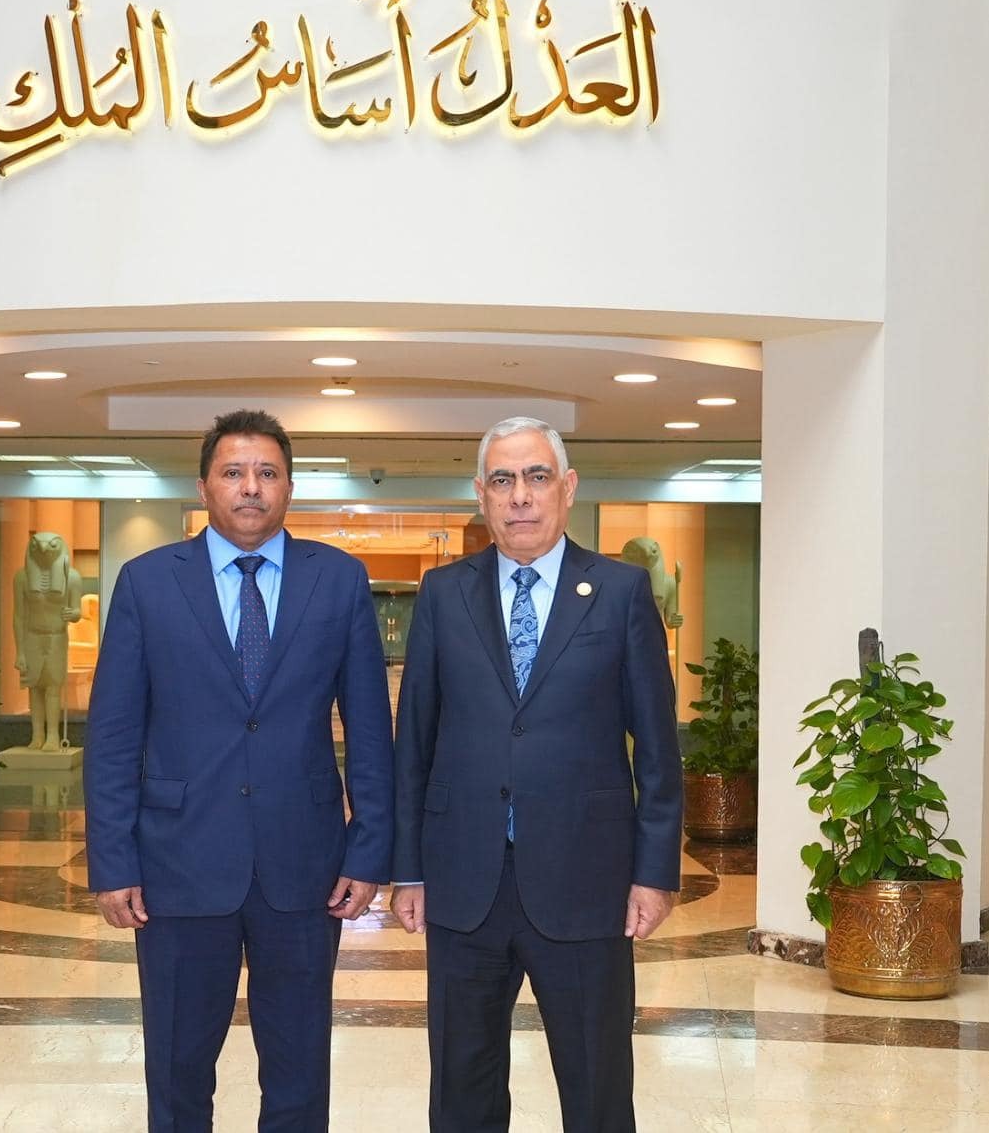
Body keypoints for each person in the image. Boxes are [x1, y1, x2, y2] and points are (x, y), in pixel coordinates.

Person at [83, 409, 394, 1133]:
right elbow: (114, 735)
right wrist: (113, 861)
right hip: (176, 865)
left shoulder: (338, 580)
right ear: (204, 486)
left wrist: (369, 848)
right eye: (233, 472)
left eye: (267, 473)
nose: (250, 487)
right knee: (178, 1068)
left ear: (289, 488)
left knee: (299, 1070)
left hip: (306, 867)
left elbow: (371, 730)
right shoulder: (147, 583)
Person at [391, 416, 682, 1132]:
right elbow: (414, 742)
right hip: (464, 885)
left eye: (536, 476)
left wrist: (655, 873)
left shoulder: (620, 591)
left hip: (588, 883)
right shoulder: (442, 594)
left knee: (597, 1090)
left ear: (568, 487)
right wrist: (408, 869)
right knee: (462, 1092)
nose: (519, 495)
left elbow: (657, 747)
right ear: (481, 495)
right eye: (502, 480)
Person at [13, 531, 83, 751]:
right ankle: (37, 734)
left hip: (56, 637)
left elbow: (77, 611)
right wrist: (20, 652)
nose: (44, 550)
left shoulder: (71, 577)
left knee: (53, 687)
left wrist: (73, 614)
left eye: (50, 545)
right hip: (32, 637)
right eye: (38, 545)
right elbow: (19, 616)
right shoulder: (22, 578)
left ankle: (53, 735)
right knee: (34, 687)